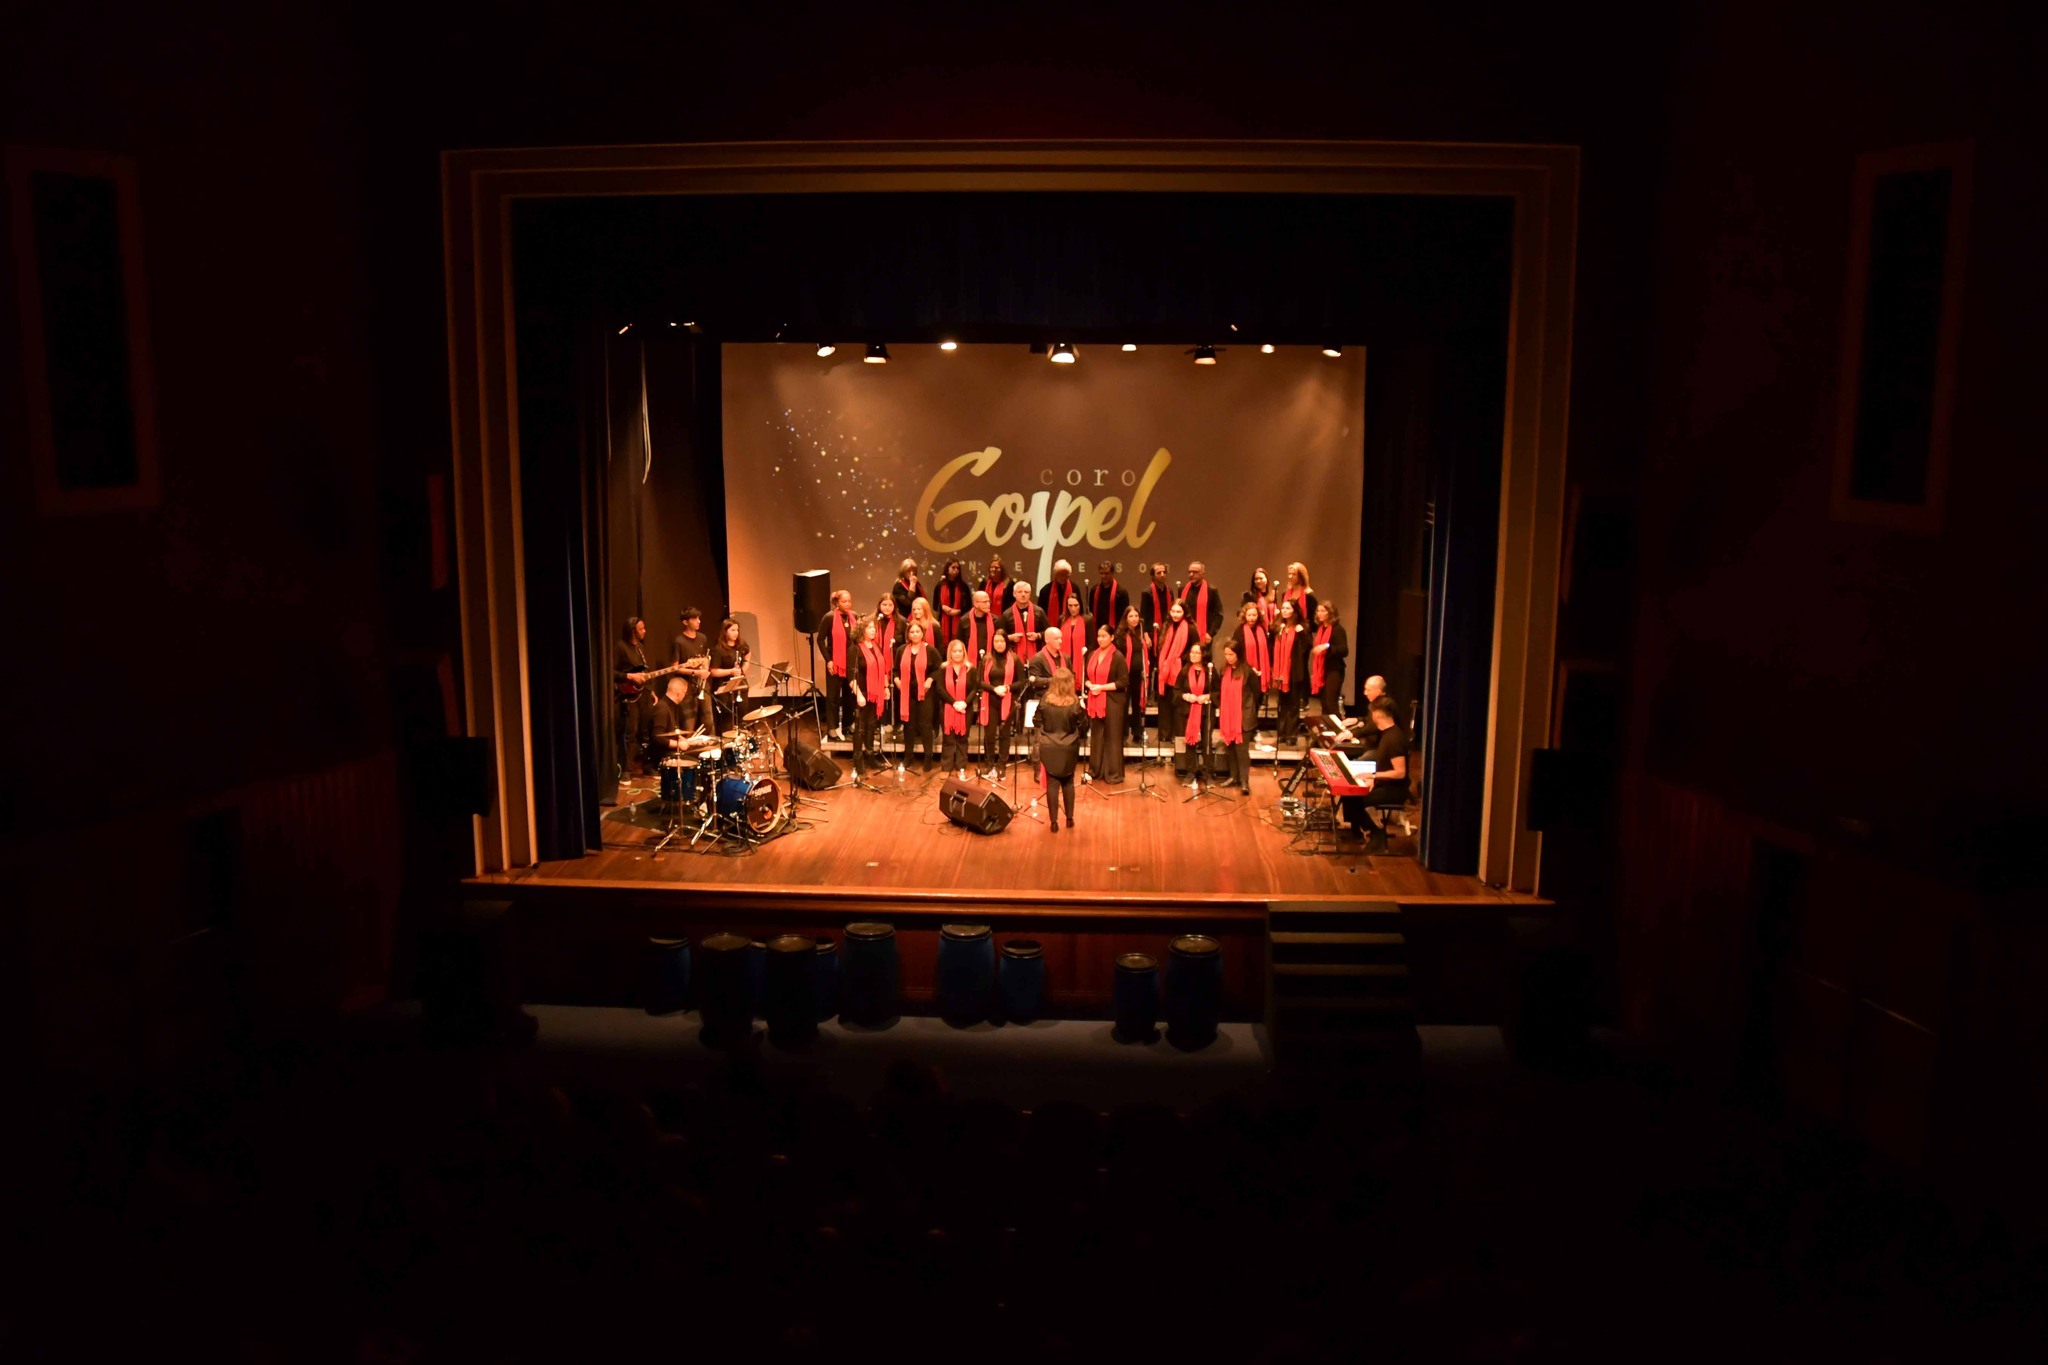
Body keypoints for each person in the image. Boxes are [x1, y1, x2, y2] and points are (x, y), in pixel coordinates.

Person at [1345, 694, 1411, 852]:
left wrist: (1373, 776)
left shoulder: (1394, 739)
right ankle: (1362, 832)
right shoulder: (1387, 734)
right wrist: (1373, 779)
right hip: (1383, 784)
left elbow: (1400, 773)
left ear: (1377, 715)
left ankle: (1376, 833)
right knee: (1349, 794)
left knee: (1353, 800)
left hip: (1393, 790)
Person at [1035, 667, 1084, 833]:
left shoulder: (1045, 700)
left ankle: (1054, 822)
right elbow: (1083, 725)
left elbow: (1036, 720)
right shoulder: (1074, 703)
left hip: (1049, 746)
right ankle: (1069, 819)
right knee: (1068, 782)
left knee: (1052, 783)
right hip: (1069, 747)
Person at [973, 628, 1022, 779]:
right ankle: (989, 764)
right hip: (990, 700)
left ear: (1006, 642)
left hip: (1007, 700)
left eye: (1001, 641)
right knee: (989, 735)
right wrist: (994, 689)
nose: (999, 644)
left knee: (1004, 734)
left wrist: (1007, 688)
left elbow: (1022, 681)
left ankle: (1002, 765)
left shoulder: (1014, 658)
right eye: (996, 641)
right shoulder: (986, 659)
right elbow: (978, 681)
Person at [1083, 623, 1129, 784]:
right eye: (1099, 636)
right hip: (1095, 699)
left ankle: (1113, 773)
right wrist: (1091, 686)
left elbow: (1123, 682)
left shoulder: (1118, 656)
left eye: (1104, 636)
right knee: (1097, 735)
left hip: (1113, 700)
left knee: (1112, 736)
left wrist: (1101, 687)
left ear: (1112, 638)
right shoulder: (1092, 654)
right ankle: (1095, 770)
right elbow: (1086, 678)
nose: (1100, 639)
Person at [895, 619, 940, 773]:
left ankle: (928, 756)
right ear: (908, 634)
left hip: (926, 692)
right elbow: (895, 670)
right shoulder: (901, 650)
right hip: (907, 692)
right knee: (909, 725)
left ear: (922, 633)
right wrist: (896, 680)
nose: (915, 634)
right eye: (912, 632)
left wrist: (930, 680)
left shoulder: (930, 650)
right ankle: (908, 756)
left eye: (917, 631)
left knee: (925, 725)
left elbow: (938, 669)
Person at [814, 589, 859, 740]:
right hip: (834, 663)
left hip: (850, 663)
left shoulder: (854, 617)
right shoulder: (829, 617)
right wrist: (829, 660)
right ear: (837, 603)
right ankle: (832, 727)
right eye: (844, 601)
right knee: (833, 697)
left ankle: (847, 724)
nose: (847, 604)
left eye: (849, 601)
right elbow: (820, 640)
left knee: (849, 696)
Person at [850, 617, 892, 776]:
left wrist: (885, 687)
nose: (873, 630)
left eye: (874, 628)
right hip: (863, 693)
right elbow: (850, 676)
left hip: (876, 693)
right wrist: (859, 695)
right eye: (869, 628)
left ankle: (870, 755)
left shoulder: (877, 647)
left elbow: (884, 669)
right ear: (862, 630)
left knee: (871, 725)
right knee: (860, 727)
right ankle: (858, 759)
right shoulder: (855, 649)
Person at [1154, 599, 1192, 771]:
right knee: (1164, 703)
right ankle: (1164, 735)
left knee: (1178, 706)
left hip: (1181, 672)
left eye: (1179, 612)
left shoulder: (1190, 628)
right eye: (1173, 612)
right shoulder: (1167, 627)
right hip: (1165, 672)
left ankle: (1179, 737)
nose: (1175, 615)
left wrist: (1179, 661)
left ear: (1184, 613)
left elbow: (1196, 649)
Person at [1216, 640, 1259, 792]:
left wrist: (1248, 710)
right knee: (1230, 748)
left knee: (1242, 750)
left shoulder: (1248, 671)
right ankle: (1233, 777)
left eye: (1231, 654)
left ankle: (1244, 781)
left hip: (1244, 716)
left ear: (1238, 654)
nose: (1228, 657)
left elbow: (1257, 693)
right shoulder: (1223, 669)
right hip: (1228, 716)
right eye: (1226, 654)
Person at [1226, 600, 1273, 737]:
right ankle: (1244, 728)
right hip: (1246, 671)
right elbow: (1237, 652)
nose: (1252, 618)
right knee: (1246, 702)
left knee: (1257, 700)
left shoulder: (1262, 630)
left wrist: (1263, 669)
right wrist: (1250, 668)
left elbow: (1266, 650)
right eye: (1249, 615)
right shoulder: (1239, 631)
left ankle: (1252, 727)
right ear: (1244, 616)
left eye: (1254, 615)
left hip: (1260, 672)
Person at [615, 616, 654, 776]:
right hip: (629, 696)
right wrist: (630, 677)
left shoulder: (641, 648)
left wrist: (651, 691)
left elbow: (644, 672)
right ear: (632, 631)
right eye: (641, 629)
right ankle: (626, 769)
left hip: (643, 694)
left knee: (646, 731)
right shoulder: (620, 647)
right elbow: (611, 672)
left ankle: (646, 765)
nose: (644, 631)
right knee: (631, 731)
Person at [1271, 599, 1310, 748]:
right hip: (1280, 672)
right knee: (1282, 705)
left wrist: (1301, 634)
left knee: (1293, 705)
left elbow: (1307, 647)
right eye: (1283, 608)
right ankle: (1281, 734)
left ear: (1294, 610)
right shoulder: (1279, 627)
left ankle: (1291, 735)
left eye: (1288, 608)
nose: (1284, 611)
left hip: (1294, 672)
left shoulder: (1301, 627)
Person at [671, 607, 716, 734]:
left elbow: (706, 657)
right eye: (694, 618)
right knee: (688, 723)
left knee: (709, 720)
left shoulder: (702, 638)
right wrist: (695, 672)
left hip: (702, 684)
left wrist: (706, 667)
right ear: (686, 622)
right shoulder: (679, 641)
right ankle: (688, 752)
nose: (699, 621)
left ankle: (711, 751)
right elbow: (675, 667)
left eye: (699, 618)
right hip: (686, 686)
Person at [1113, 605, 1150, 754]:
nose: (1134, 619)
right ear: (1126, 618)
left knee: (1137, 704)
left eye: (1136, 616)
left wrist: (1145, 668)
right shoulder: (1120, 634)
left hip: (1138, 675)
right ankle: (1122, 734)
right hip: (1124, 675)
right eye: (1131, 616)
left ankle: (1137, 733)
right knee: (1123, 704)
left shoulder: (1141, 632)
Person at [708, 617, 751, 735]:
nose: (736, 633)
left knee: (742, 712)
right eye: (732, 630)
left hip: (739, 685)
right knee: (727, 718)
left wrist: (742, 671)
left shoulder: (742, 645)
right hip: (723, 688)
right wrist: (731, 672)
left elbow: (748, 656)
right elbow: (713, 671)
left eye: (737, 630)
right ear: (725, 632)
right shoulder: (718, 649)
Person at [939, 638, 974, 779]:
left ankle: (961, 767)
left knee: (962, 738)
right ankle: (946, 767)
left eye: (960, 651)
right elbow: (940, 689)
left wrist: (964, 703)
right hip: (948, 707)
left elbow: (974, 689)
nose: (958, 654)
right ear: (950, 653)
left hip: (966, 708)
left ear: (964, 652)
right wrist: (954, 703)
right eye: (955, 651)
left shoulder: (971, 668)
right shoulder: (943, 668)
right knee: (948, 738)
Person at [1178, 642, 1213, 782]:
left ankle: (1207, 773)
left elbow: (1218, 691)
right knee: (1190, 742)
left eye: (1197, 653)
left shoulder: (1210, 670)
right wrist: (1186, 696)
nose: (1193, 655)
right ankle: (1191, 772)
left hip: (1206, 711)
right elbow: (1177, 691)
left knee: (1206, 743)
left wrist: (1207, 696)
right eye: (1192, 652)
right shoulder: (1185, 670)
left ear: (1203, 654)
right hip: (1189, 710)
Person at [1310, 601, 1349, 720]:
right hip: (1322, 671)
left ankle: (1337, 731)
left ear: (1330, 613)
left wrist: (1327, 646)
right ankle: (1327, 731)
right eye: (1318, 611)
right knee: (1324, 704)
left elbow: (1344, 650)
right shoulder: (1321, 629)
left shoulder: (1338, 629)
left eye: (1323, 611)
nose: (1319, 614)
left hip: (1334, 670)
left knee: (1331, 703)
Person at [1178, 561, 1224, 645]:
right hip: (1185, 634)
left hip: (1204, 636)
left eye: (1195, 572)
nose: (1191, 574)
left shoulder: (1211, 590)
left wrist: (1210, 634)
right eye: (1189, 572)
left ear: (1202, 573)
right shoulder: (1182, 589)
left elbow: (1219, 615)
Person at [1006, 581, 1045, 665]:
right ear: (1014, 594)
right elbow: (999, 635)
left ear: (1030, 595)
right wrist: (1010, 637)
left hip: (1037, 657)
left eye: (1026, 592)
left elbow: (1048, 633)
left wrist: (1038, 635)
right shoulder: (1007, 614)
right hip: (1014, 659)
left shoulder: (1039, 612)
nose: (1023, 594)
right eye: (1020, 592)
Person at [1089, 559, 1128, 643]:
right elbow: (1091, 611)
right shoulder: (1094, 590)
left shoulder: (1121, 592)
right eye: (1101, 573)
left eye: (1106, 573)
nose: (1104, 576)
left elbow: (1125, 616)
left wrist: (1117, 633)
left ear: (1112, 573)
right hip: (1098, 631)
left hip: (1115, 633)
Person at [934, 559, 971, 645]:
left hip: (959, 619)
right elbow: (935, 604)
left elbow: (968, 605)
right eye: (953, 567)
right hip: (943, 619)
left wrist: (958, 611)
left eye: (958, 568)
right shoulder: (940, 585)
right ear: (947, 568)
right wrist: (943, 607)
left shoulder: (963, 586)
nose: (956, 570)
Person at [1039, 559, 1082, 626]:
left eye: (1066, 575)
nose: (1063, 577)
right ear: (1055, 575)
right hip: (1050, 628)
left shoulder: (1074, 588)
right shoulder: (1046, 590)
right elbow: (1041, 614)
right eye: (1060, 575)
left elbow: (1080, 610)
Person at [1138, 561, 1175, 638]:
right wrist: (1145, 634)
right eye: (1159, 573)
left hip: (1168, 629)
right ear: (1153, 576)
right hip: (1152, 632)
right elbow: (1144, 616)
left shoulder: (1170, 591)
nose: (1162, 575)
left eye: (1164, 572)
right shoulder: (1147, 593)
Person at [961, 588, 997, 665]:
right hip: (970, 663)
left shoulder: (995, 620)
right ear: (976, 604)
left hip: (991, 663)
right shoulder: (964, 620)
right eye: (985, 602)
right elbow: (960, 643)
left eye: (989, 601)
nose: (988, 604)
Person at [1282, 562, 1318, 632]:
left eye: (1294, 574)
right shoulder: (1285, 594)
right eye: (1289, 574)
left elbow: (1314, 623)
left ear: (1301, 577)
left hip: (1302, 634)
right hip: (1287, 633)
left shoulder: (1309, 596)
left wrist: (1302, 627)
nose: (1290, 576)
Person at [904, 596, 940, 662]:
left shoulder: (935, 626)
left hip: (930, 661)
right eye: (914, 609)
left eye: (919, 609)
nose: (916, 611)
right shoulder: (910, 625)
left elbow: (940, 648)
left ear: (925, 609)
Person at [890, 558, 923, 625]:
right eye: (908, 571)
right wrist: (912, 586)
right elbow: (909, 603)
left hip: (918, 617)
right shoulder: (898, 586)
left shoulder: (917, 584)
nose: (912, 573)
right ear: (903, 572)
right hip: (904, 620)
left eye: (913, 570)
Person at [873, 593, 902, 661]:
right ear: (879, 605)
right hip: (875, 660)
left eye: (890, 605)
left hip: (895, 660)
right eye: (884, 605)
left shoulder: (901, 622)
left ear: (894, 606)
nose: (887, 607)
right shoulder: (872, 620)